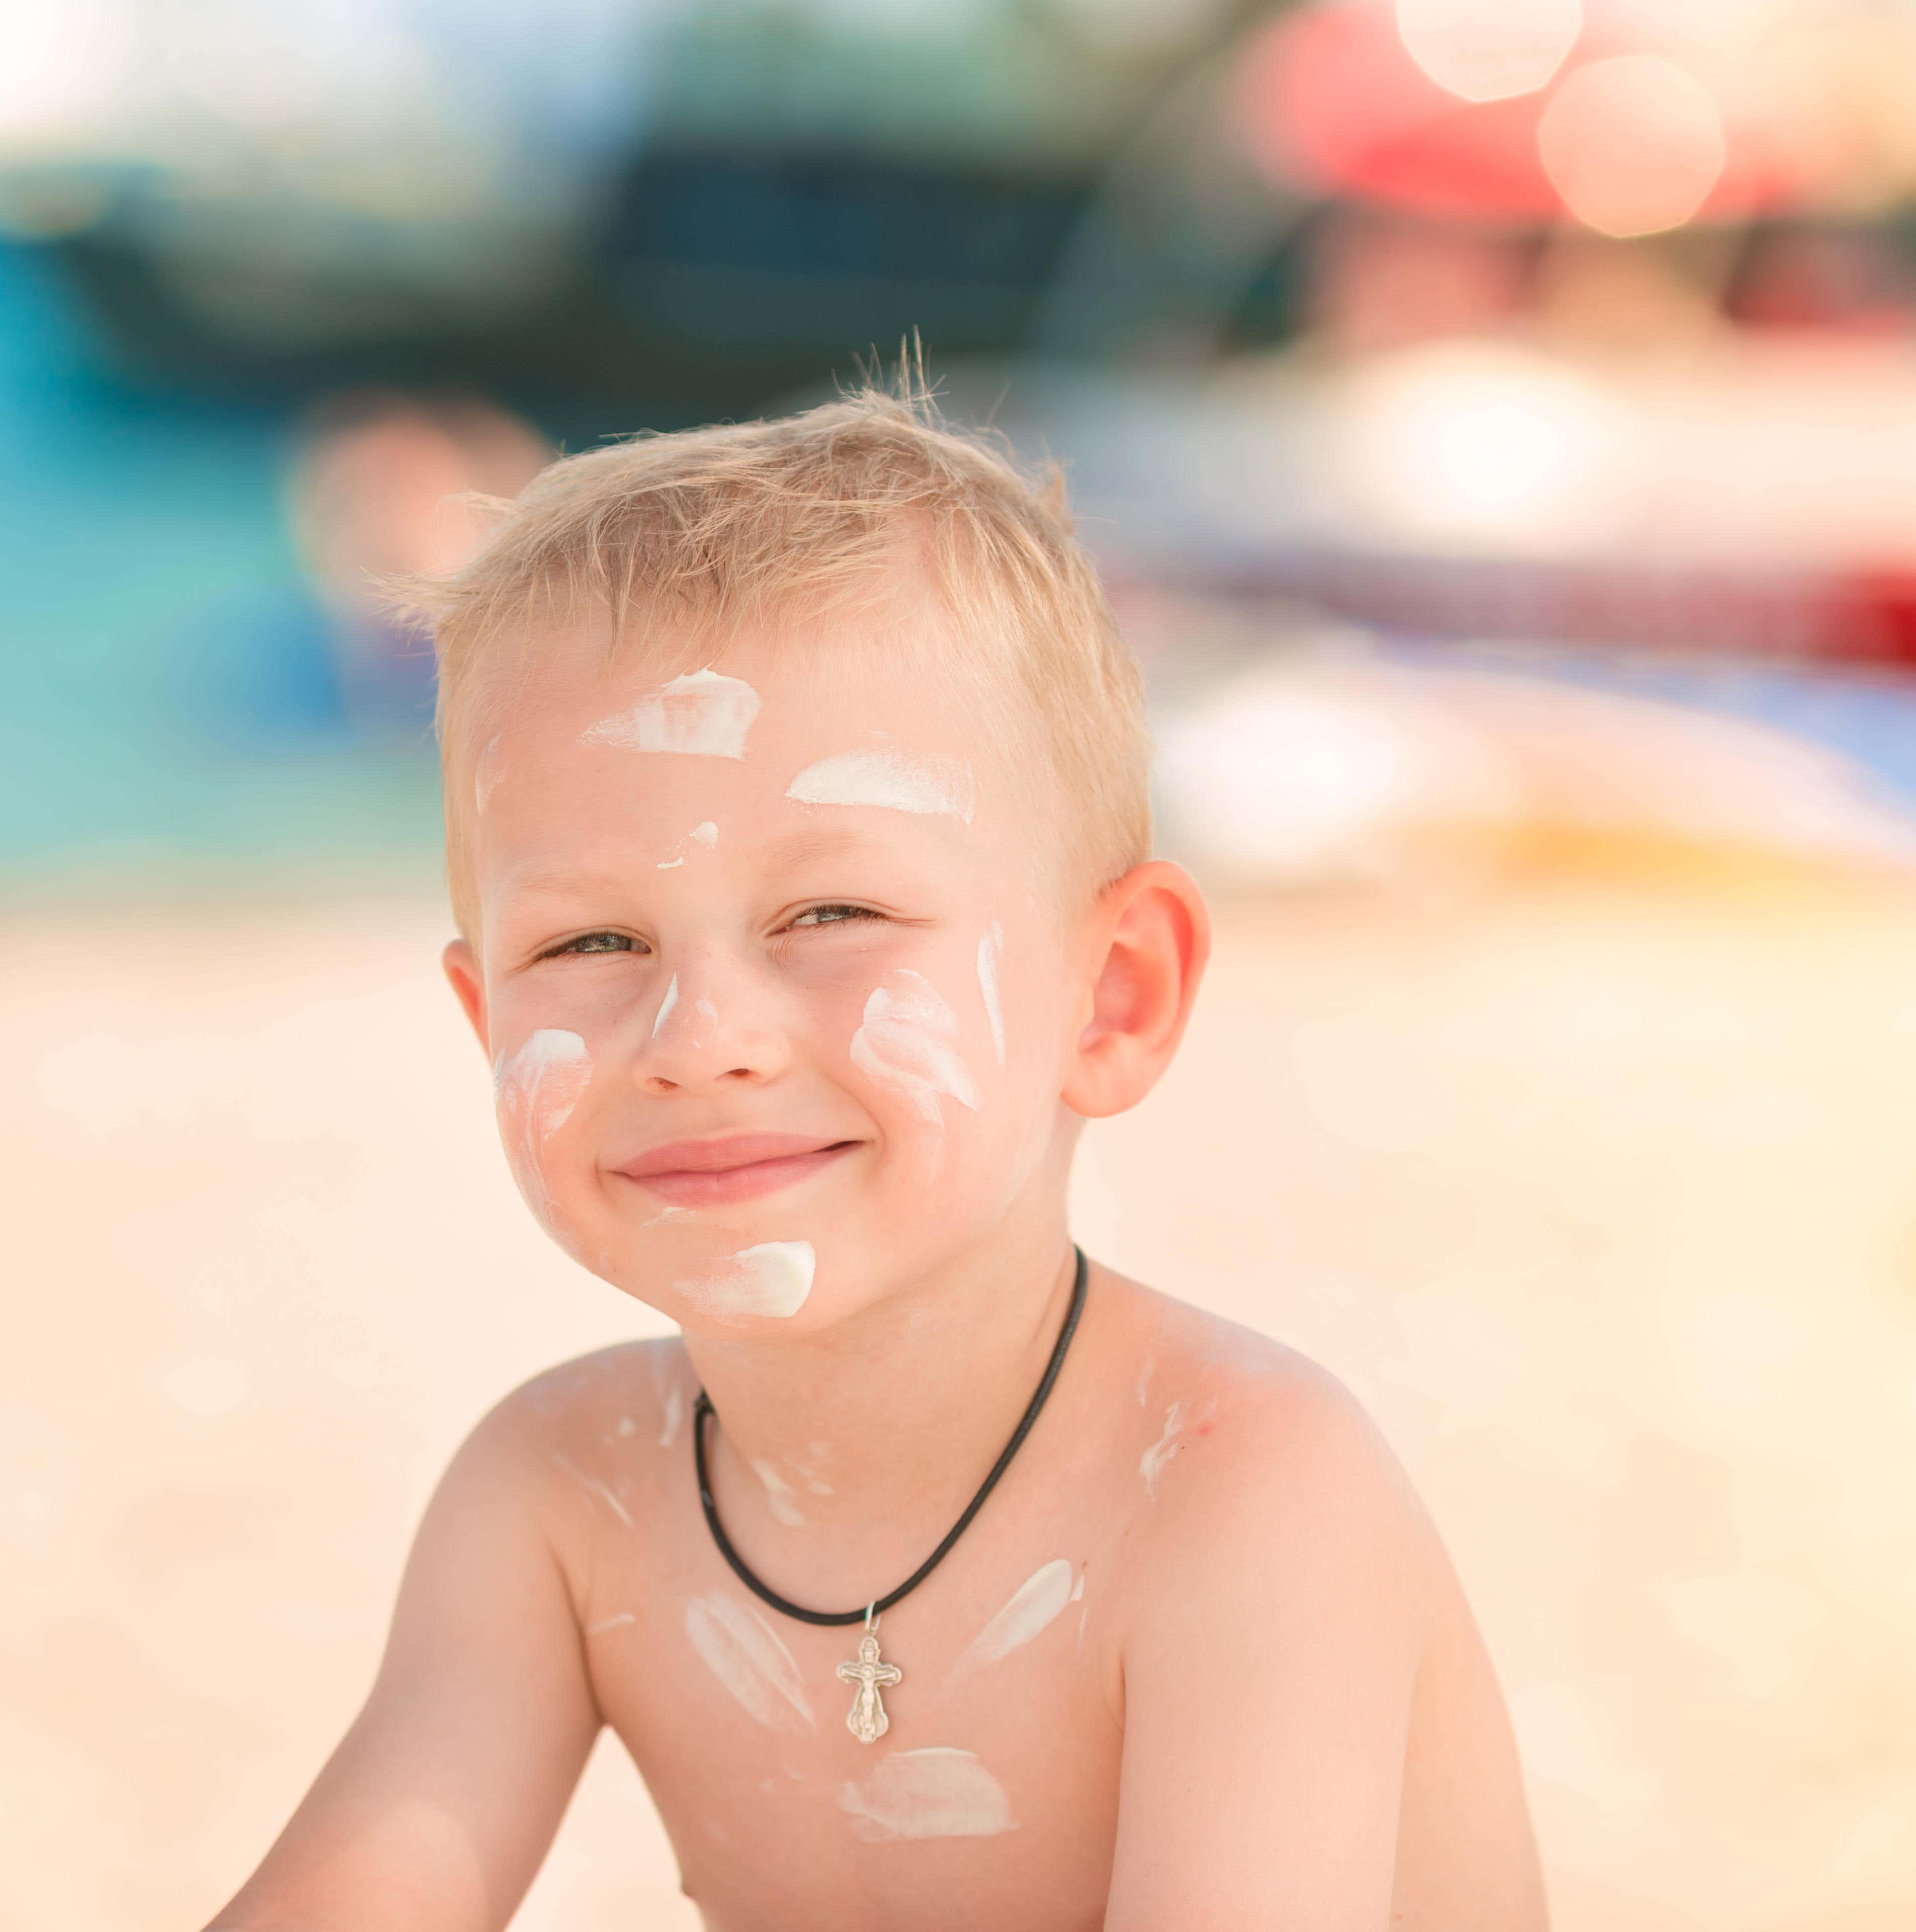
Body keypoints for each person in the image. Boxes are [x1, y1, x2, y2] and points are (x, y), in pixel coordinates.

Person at [206, 382, 1547, 1929]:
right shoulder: (559, 1501)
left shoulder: (1243, 1494)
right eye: (588, 940)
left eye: (830, 916)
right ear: (482, 1018)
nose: (701, 1035)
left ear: (1112, 996)